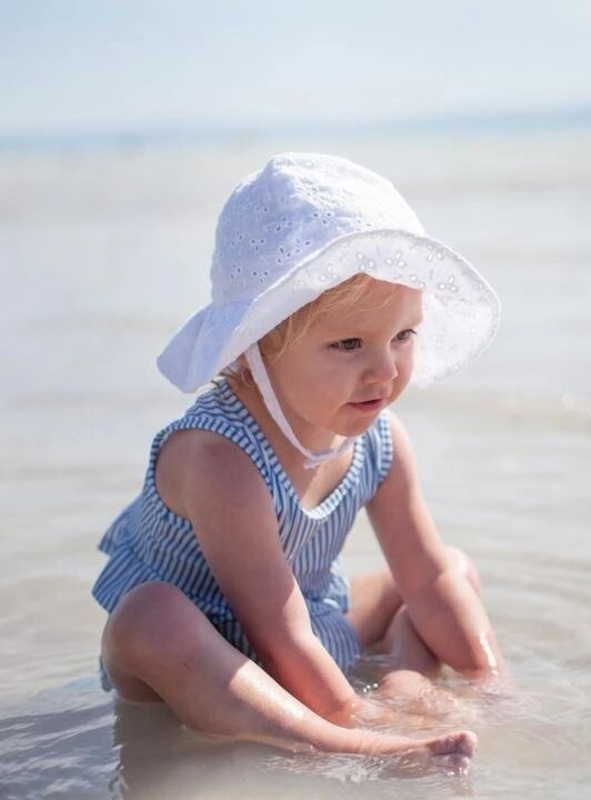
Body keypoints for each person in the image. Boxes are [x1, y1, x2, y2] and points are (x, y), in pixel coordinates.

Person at [91, 152, 504, 772]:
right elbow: (276, 635)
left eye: (403, 335)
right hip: (209, 663)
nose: (386, 370)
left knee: (450, 572)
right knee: (149, 618)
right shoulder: (218, 458)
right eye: (347, 343)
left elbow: (426, 579)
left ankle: (405, 683)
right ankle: (352, 738)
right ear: (253, 345)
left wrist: (491, 686)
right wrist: (351, 715)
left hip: (311, 631)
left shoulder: (380, 441)